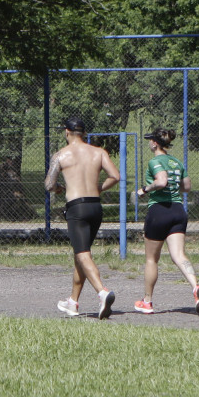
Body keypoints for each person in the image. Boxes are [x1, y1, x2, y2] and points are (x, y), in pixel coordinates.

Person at [45, 117, 120, 319]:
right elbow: (115, 176)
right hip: (95, 207)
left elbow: (49, 184)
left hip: (77, 208)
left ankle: (102, 292)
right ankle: (72, 302)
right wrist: (98, 188)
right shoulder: (99, 152)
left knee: (82, 253)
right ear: (84, 133)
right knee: (81, 254)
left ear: (66, 132)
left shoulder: (60, 155)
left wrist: (60, 188)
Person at [135, 127, 199, 314]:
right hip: (178, 211)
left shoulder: (155, 161)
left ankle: (147, 302)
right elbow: (187, 186)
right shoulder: (176, 162)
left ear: (155, 143)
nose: (149, 142)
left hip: (160, 210)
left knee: (151, 259)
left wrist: (144, 190)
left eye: (150, 140)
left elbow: (161, 181)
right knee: (179, 255)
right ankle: (195, 287)